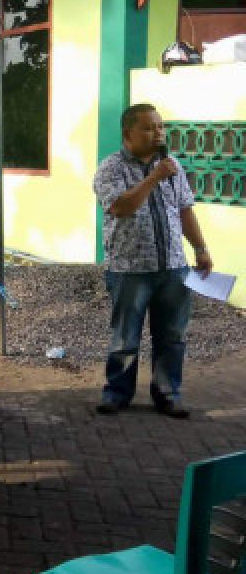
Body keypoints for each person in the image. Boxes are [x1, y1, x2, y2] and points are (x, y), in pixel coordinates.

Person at [92, 103, 212, 418]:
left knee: (172, 336)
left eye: (159, 126)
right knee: (125, 336)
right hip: (130, 269)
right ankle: (117, 393)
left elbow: (185, 209)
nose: (157, 132)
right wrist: (154, 177)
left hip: (173, 267)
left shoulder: (172, 166)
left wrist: (200, 248)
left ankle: (168, 394)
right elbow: (120, 207)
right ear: (127, 133)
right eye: (148, 127)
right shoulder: (111, 168)